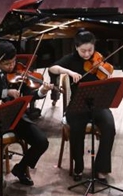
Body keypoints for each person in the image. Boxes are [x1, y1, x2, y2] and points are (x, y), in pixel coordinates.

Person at [0, 41, 51, 186]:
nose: (11, 66)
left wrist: (42, 91)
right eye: (6, 64)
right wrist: (6, 92)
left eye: (13, 61)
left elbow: (30, 94)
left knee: (41, 141)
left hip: (16, 117)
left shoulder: (19, 71)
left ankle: (21, 168)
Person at [48, 29, 117, 182]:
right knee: (76, 129)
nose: (87, 54)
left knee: (109, 127)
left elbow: (107, 76)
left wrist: (106, 74)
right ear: (76, 47)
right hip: (78, 105)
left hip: (98, 103)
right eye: (83, 51)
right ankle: (78, 166)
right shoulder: (71, 59)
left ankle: (101, 168)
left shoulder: (98, 59)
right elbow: (52, 68)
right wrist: (69, 72)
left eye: (90, 50)